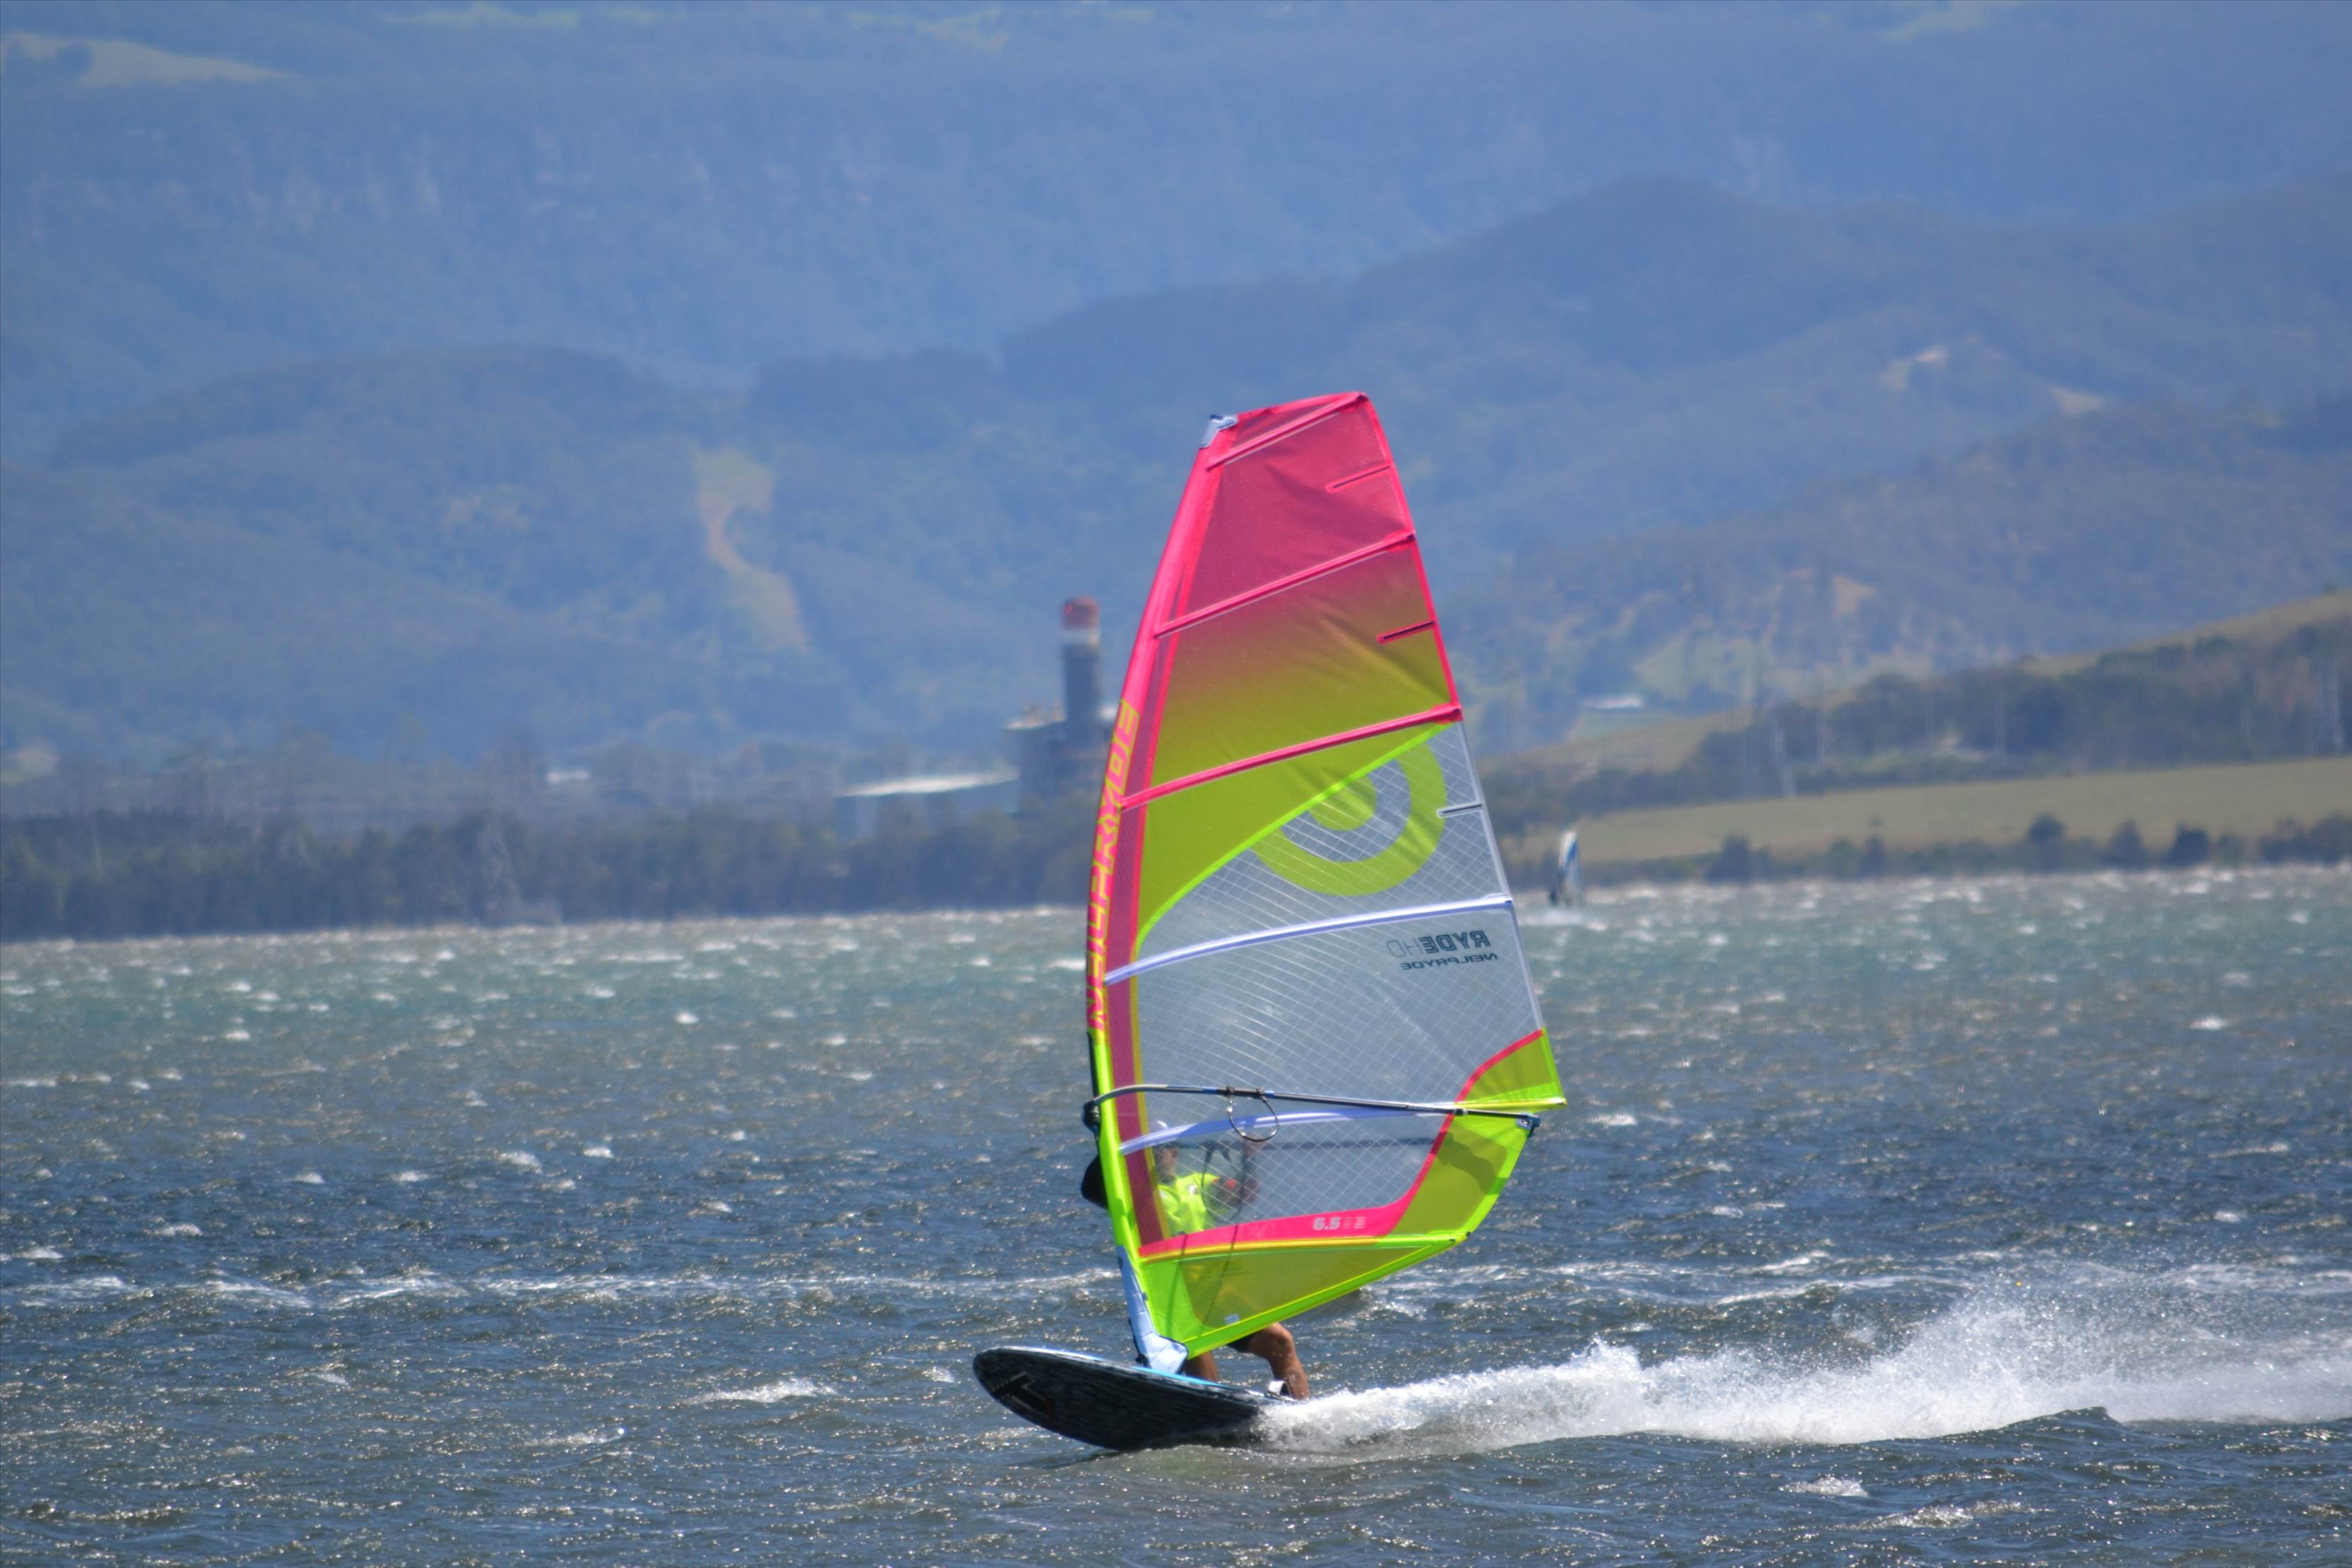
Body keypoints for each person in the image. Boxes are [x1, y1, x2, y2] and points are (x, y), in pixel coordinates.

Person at [1080, 1140, 1310, 1399]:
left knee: (1279, 1341)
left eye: (1157, 1150)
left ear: (1175, 1152)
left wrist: (1249, 1157)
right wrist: (1107, 1141)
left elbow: (1244, 1193)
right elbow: (1090, 1191)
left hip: (1215, 1290)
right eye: (1145, 1152)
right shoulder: (1131, 1198)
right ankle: (1211, 1408)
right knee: (1194, 1348)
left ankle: (1299, 1413)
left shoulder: (1198, 1184)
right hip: (1168, 1297)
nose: (1151, 1157)